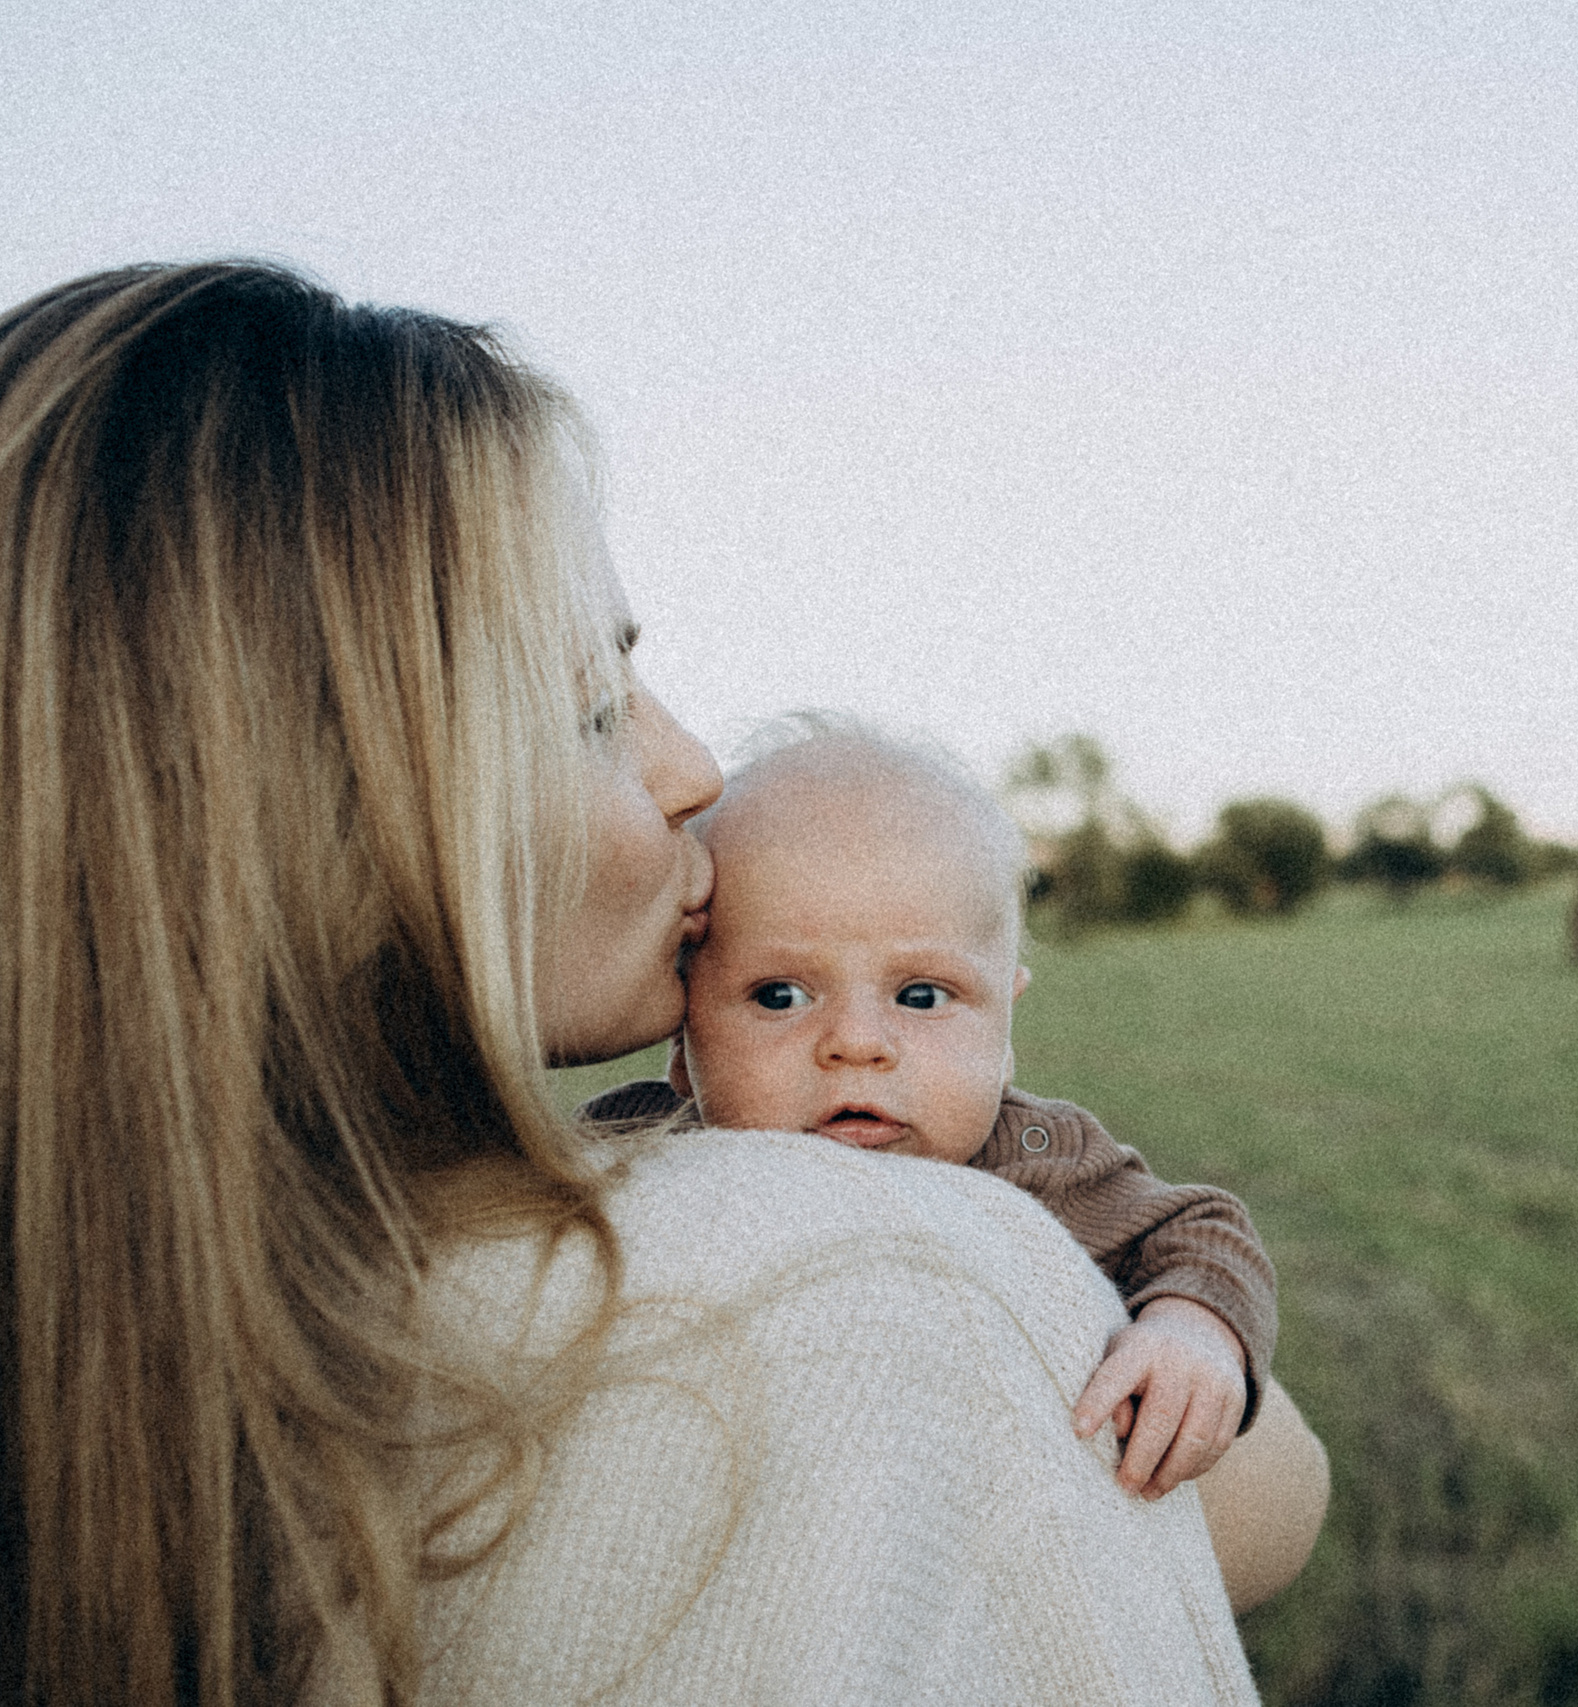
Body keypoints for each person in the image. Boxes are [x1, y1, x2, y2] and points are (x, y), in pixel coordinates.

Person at [0, 261, 1258, 1704]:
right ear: (309, 814)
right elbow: (1259, 1505)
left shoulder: (127, 1358)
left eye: (922, 994)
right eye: (596, 706)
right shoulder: (838, 1276)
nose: (695, 772)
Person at [580, 720, 1328, 1590]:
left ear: (1004, 1030)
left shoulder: (1037, 1159)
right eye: (778, 994)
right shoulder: (642, 1151)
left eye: (922, 995)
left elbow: (1201, 1230)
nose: (857, 1042)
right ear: (684, 1036)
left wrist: (1193, 1333)